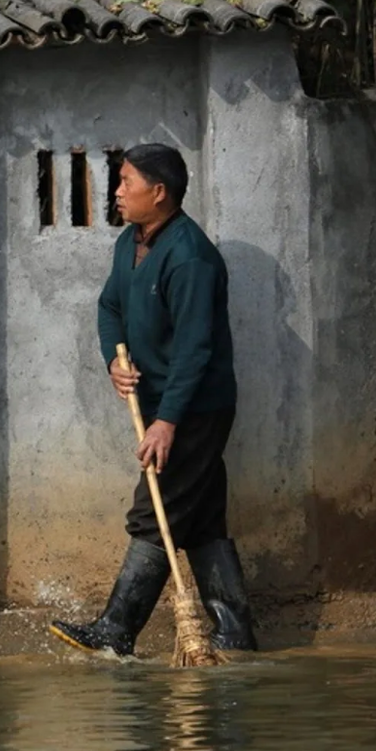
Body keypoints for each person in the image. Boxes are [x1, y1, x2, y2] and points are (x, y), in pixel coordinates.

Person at [48, 143, 257, 657]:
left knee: (155, 507)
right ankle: (235, 633)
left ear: (158, 193)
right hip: (163, 404)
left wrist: (166, 422)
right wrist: (113, 361)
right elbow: (109, 307)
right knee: (203, 518)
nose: (115, 191)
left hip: (193, 410)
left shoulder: (190, 257)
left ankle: (117, 630)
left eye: (126, 182)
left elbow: (195, 351)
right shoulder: (129, 242)